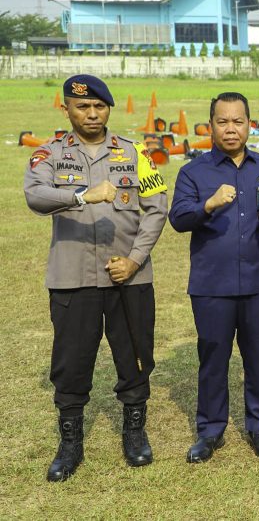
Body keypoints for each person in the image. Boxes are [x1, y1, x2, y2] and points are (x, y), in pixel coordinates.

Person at [24, 74, 168, 482]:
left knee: (136, 356)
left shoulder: (135, 152)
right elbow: (34, 195)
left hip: (129, 279)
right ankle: (70, 443)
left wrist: (136, 260)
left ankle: (134, 433)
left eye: (99, 107)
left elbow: (157, 207)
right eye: (82, 106)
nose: (91, 113)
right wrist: (81, 195)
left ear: (109, 108)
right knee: (71, 363)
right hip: (73, 278)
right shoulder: (50, 154)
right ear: (67, 108)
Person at [169, 92, 259, 463]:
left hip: (258, 280)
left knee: (258, 356)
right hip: (212, 284)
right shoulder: (194, 172)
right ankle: (210, 430)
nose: (231, 129)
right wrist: (208, 204)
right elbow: (178, 219)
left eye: (238, 121)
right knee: (213, 357)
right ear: (210, 125)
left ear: (249, 123)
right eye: (223, 121)